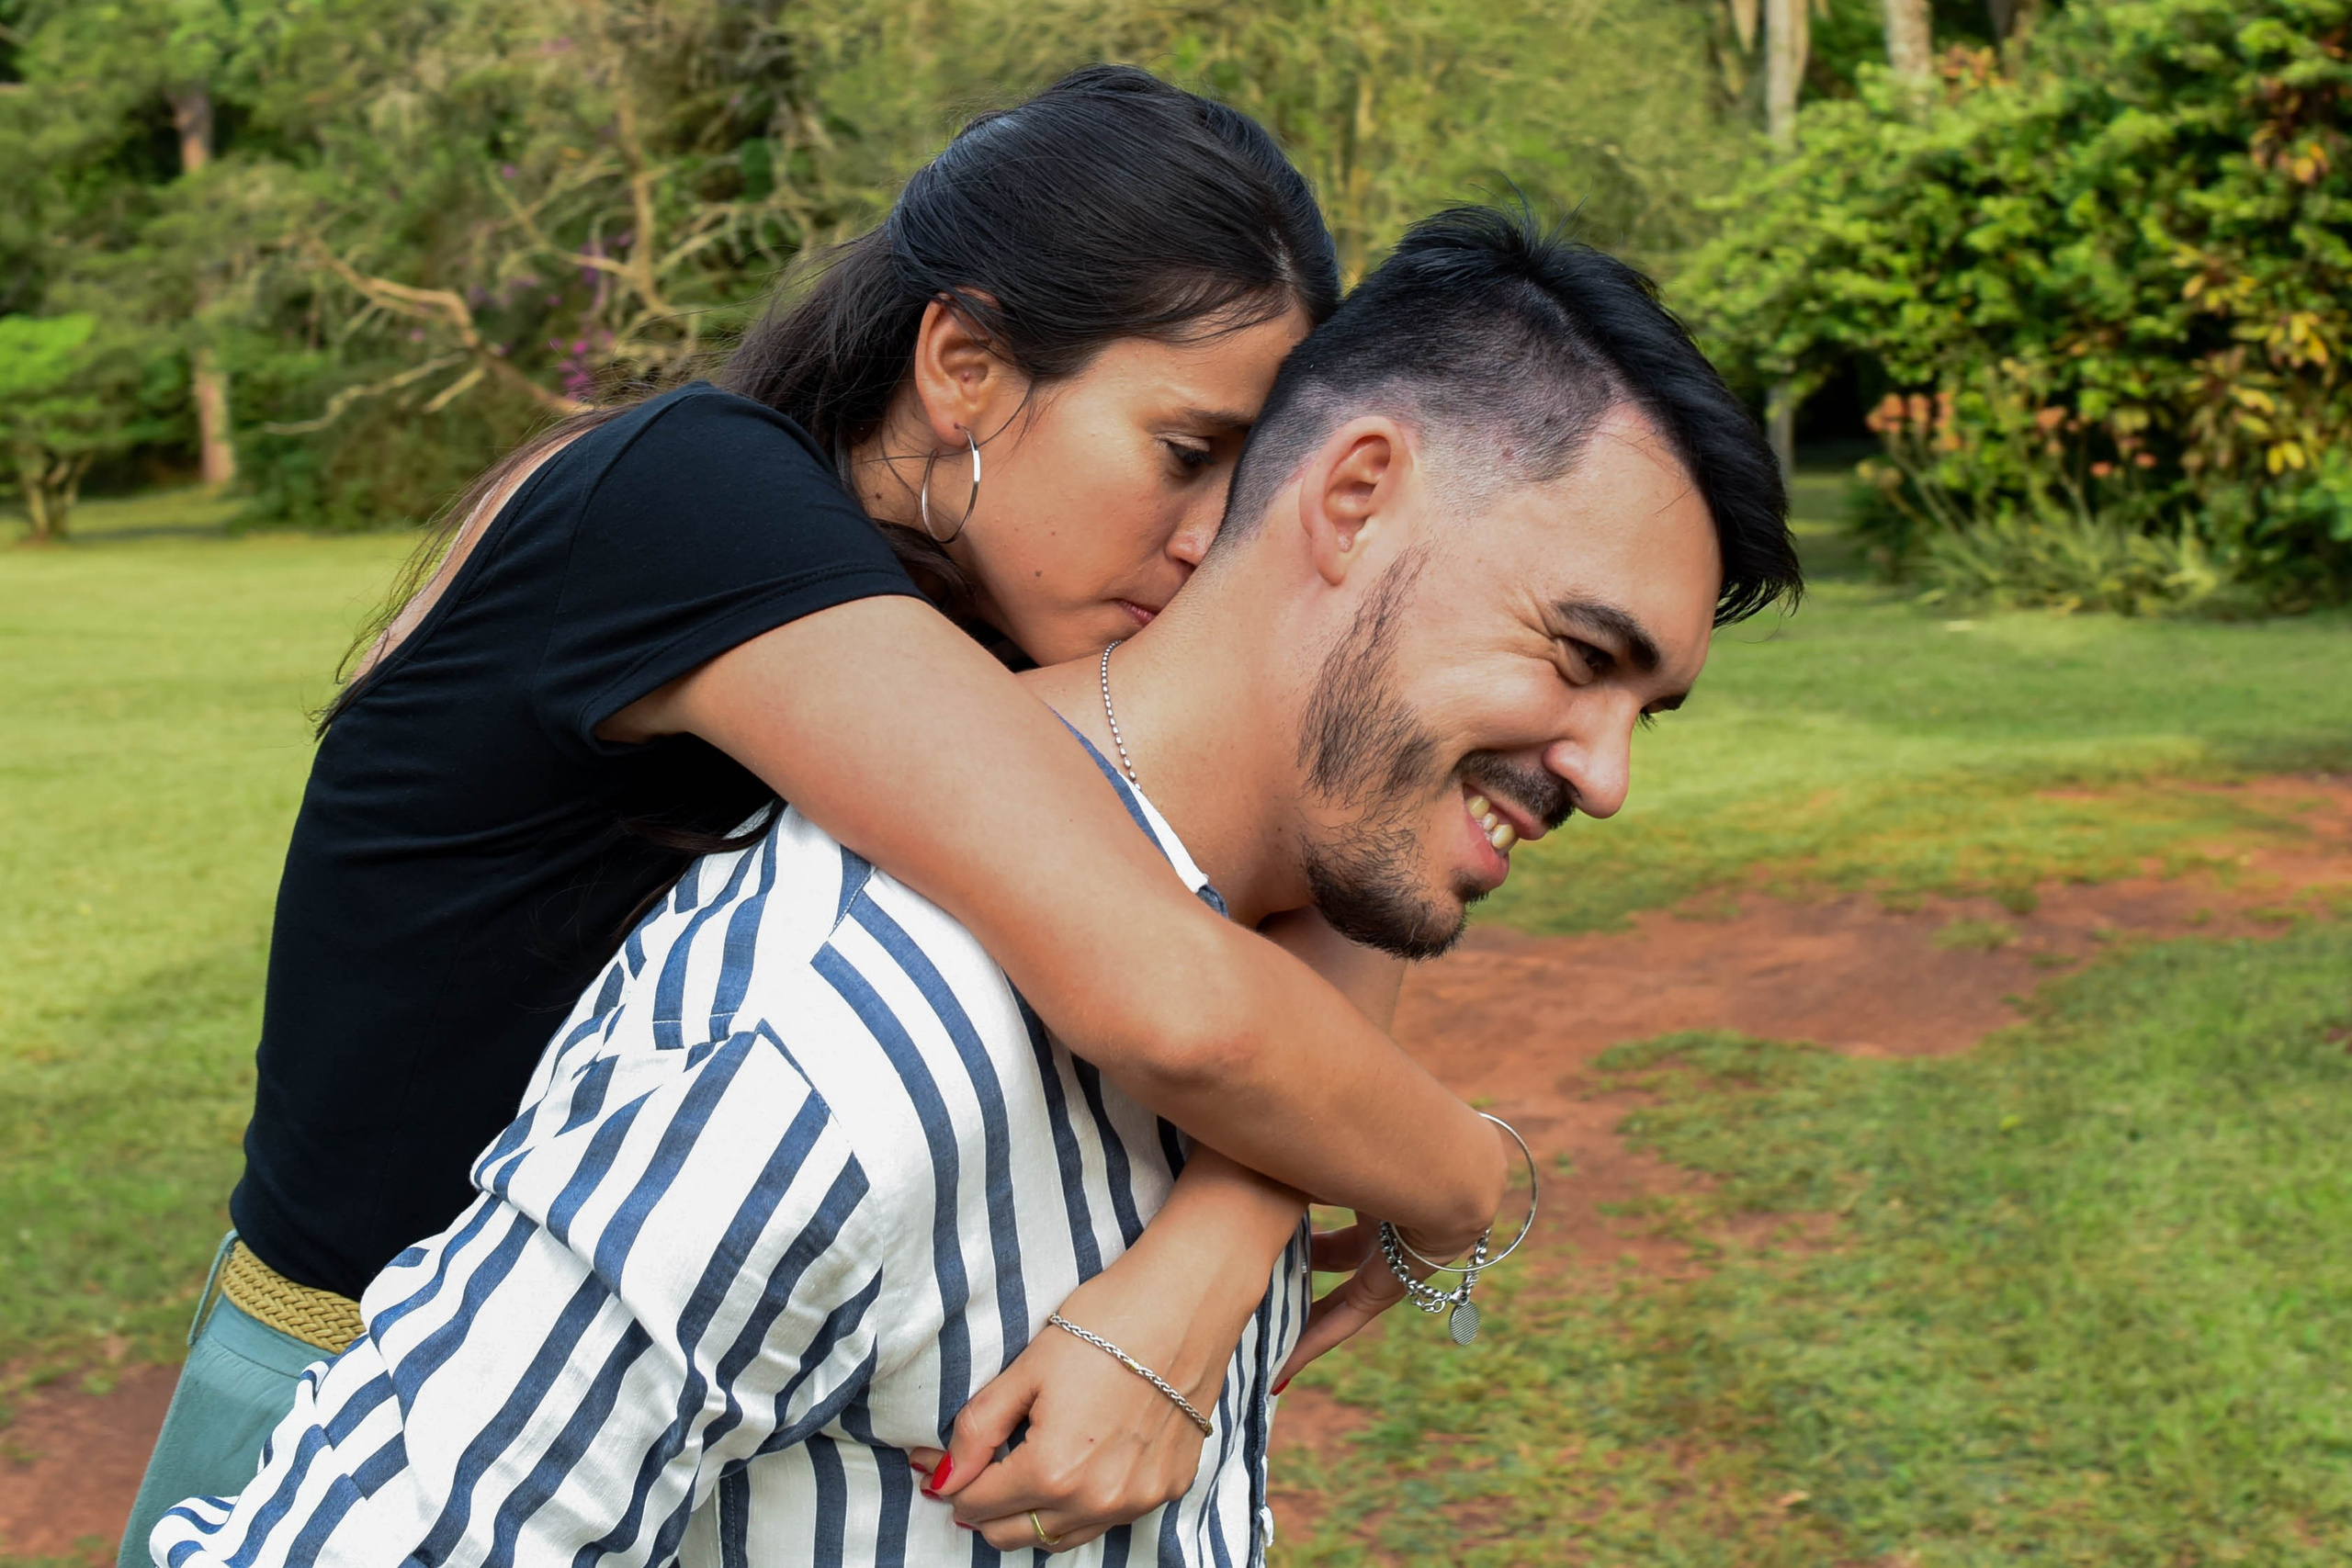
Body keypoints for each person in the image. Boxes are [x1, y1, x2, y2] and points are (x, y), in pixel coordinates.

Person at [149, 205, 1801, 1567]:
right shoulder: (833, 988)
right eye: (1188, 448)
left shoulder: (1182, 849)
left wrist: (1223, 1238)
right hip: (317, 1327)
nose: (1606, 774)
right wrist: (1471, 1186)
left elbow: (1301, 885)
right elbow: (1171, 1003)